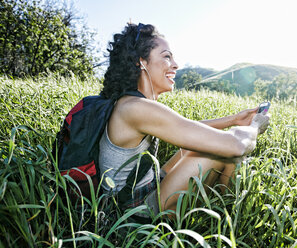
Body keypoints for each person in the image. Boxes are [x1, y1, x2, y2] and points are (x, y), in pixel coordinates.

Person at [99, 23, 270, 217]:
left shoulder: (130, 102)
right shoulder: (136, 108)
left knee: (201, 144)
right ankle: (229, 218)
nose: (175, 65)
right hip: (136, 212)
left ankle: (223, 211)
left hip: (142, 186)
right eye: (166, 56)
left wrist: (234, 120)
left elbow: (189, 130)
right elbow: (237, 145)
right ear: (142, 63)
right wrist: (256, 125)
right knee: (225, 151)